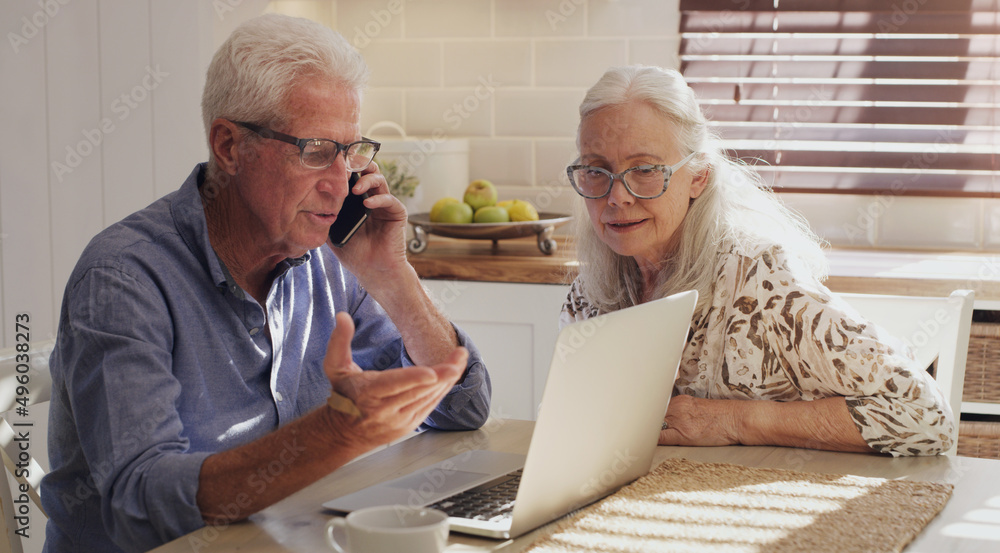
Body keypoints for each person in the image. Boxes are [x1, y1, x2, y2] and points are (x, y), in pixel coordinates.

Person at [40, 14, 490, 552]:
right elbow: (142, 505)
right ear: (229, 146)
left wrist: (393, 277)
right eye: (317, 151)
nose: (341, 181)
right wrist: (334, 433)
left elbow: (463, 408)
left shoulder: (330, 259)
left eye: (350, 152)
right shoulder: (123, 278)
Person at [560, 64, 954, 457]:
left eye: (645, 170)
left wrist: (732, 420)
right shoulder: (590, 294)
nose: (617, 197)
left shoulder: (761, 281)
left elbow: (925, 417)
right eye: (597, 171)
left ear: (698, 175)